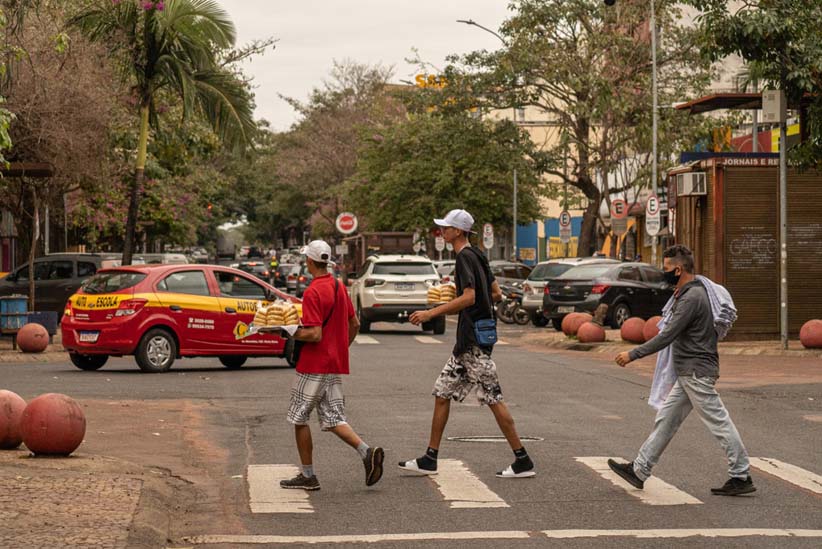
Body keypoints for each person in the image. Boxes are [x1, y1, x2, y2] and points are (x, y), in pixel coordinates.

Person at [400, 209, 536, 478]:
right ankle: (430, 457)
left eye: (447, 228)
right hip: (469, 343)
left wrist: (431, 312)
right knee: (442, 393)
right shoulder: (480, 256)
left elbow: (469, 297)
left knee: (494, 399)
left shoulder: (464, 258)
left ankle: (523, 460)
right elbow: (495, 293)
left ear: (459, 231)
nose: (442, 231)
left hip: (473, 344)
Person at [610, 244, 755, 496]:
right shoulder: (692, 292)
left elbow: (667, 335)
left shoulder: (691, 298)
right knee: (666, 420)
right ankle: (640, 469)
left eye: (666, 269)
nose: (663, 273)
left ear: (678, 270)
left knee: (719, 423)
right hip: (691, 372)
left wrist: (632, 354)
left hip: (696, 372)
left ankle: (741, 474)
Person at [280, 240, 384, 491]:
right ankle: (366, 452)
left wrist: (290, 332)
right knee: (333, 417)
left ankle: (308, 475)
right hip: (332, 363)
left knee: (299, 418)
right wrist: (340, 348)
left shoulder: (313, 292)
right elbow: (355, 323)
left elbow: (314, 334)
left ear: (309, 262)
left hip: (313, 365)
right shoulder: (338, 287)